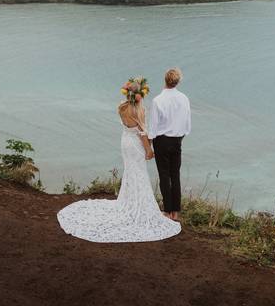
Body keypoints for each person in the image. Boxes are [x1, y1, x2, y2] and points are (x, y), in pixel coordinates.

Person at [56, 84, 181, 242]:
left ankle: (129, 200)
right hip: (136, 144)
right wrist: (149, 149)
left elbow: (129, 127)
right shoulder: (139, 110)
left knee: (130, 172)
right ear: (140, 95)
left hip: (125, 142)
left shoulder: (122, 107)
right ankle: (138, 205)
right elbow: (142, 133)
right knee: (139, 173)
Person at [148, 67, 191, 221]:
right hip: (177, 140)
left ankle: (167, 211)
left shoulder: (157, 100)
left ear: (165, 80)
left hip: (161, 141)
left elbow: (152, 127)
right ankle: (176, 212)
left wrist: (150, 146)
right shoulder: (184, 98)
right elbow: (187, 124)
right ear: (177, 81)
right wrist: (179, 138)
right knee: (175, 175)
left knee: (164, 175)